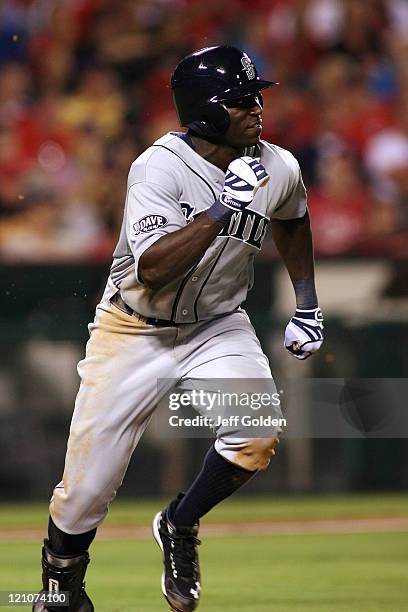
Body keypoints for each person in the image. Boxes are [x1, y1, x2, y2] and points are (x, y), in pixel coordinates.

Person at [33, 45, 324, 612]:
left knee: (256, 432)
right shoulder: (157, 167)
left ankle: (179, 523)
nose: (257, 108)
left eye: (257, 96)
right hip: (132, 328)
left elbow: (293, 220)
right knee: (86, 491)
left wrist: (308, 304)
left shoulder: (278, 165)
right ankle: (59, 588)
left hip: (217, 324)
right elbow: (154, 267)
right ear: (207, 111)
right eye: (242, 100)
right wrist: (219, 209)